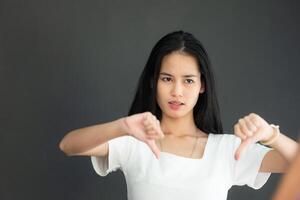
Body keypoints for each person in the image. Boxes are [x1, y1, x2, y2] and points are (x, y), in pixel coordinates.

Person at [59, 30, 299, 200]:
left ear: (202, 85)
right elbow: (68, 145)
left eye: (188, 80)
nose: (177, 92)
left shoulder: (227, 150)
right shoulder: (136, 143)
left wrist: (271, 135)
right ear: (154, 81)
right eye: (167, 79)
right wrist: (121, 126)